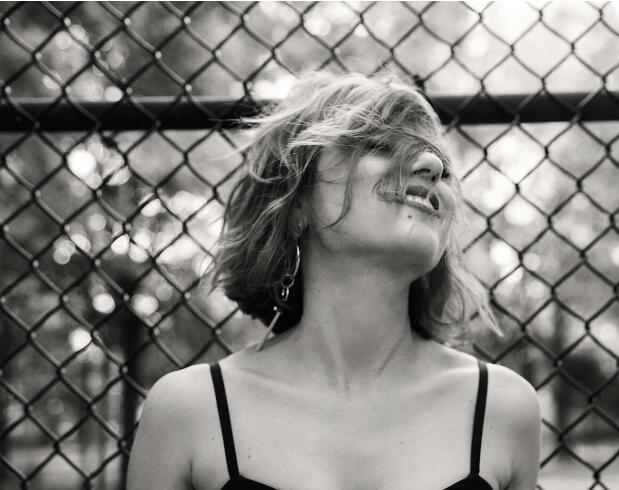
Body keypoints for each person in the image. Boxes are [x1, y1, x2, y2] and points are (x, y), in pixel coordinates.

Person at [126, 71, 541, 490]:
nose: (433, 166)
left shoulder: (503, 409)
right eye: (379, 145)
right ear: (295, 203)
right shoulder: (189, 412)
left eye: (444, 168)